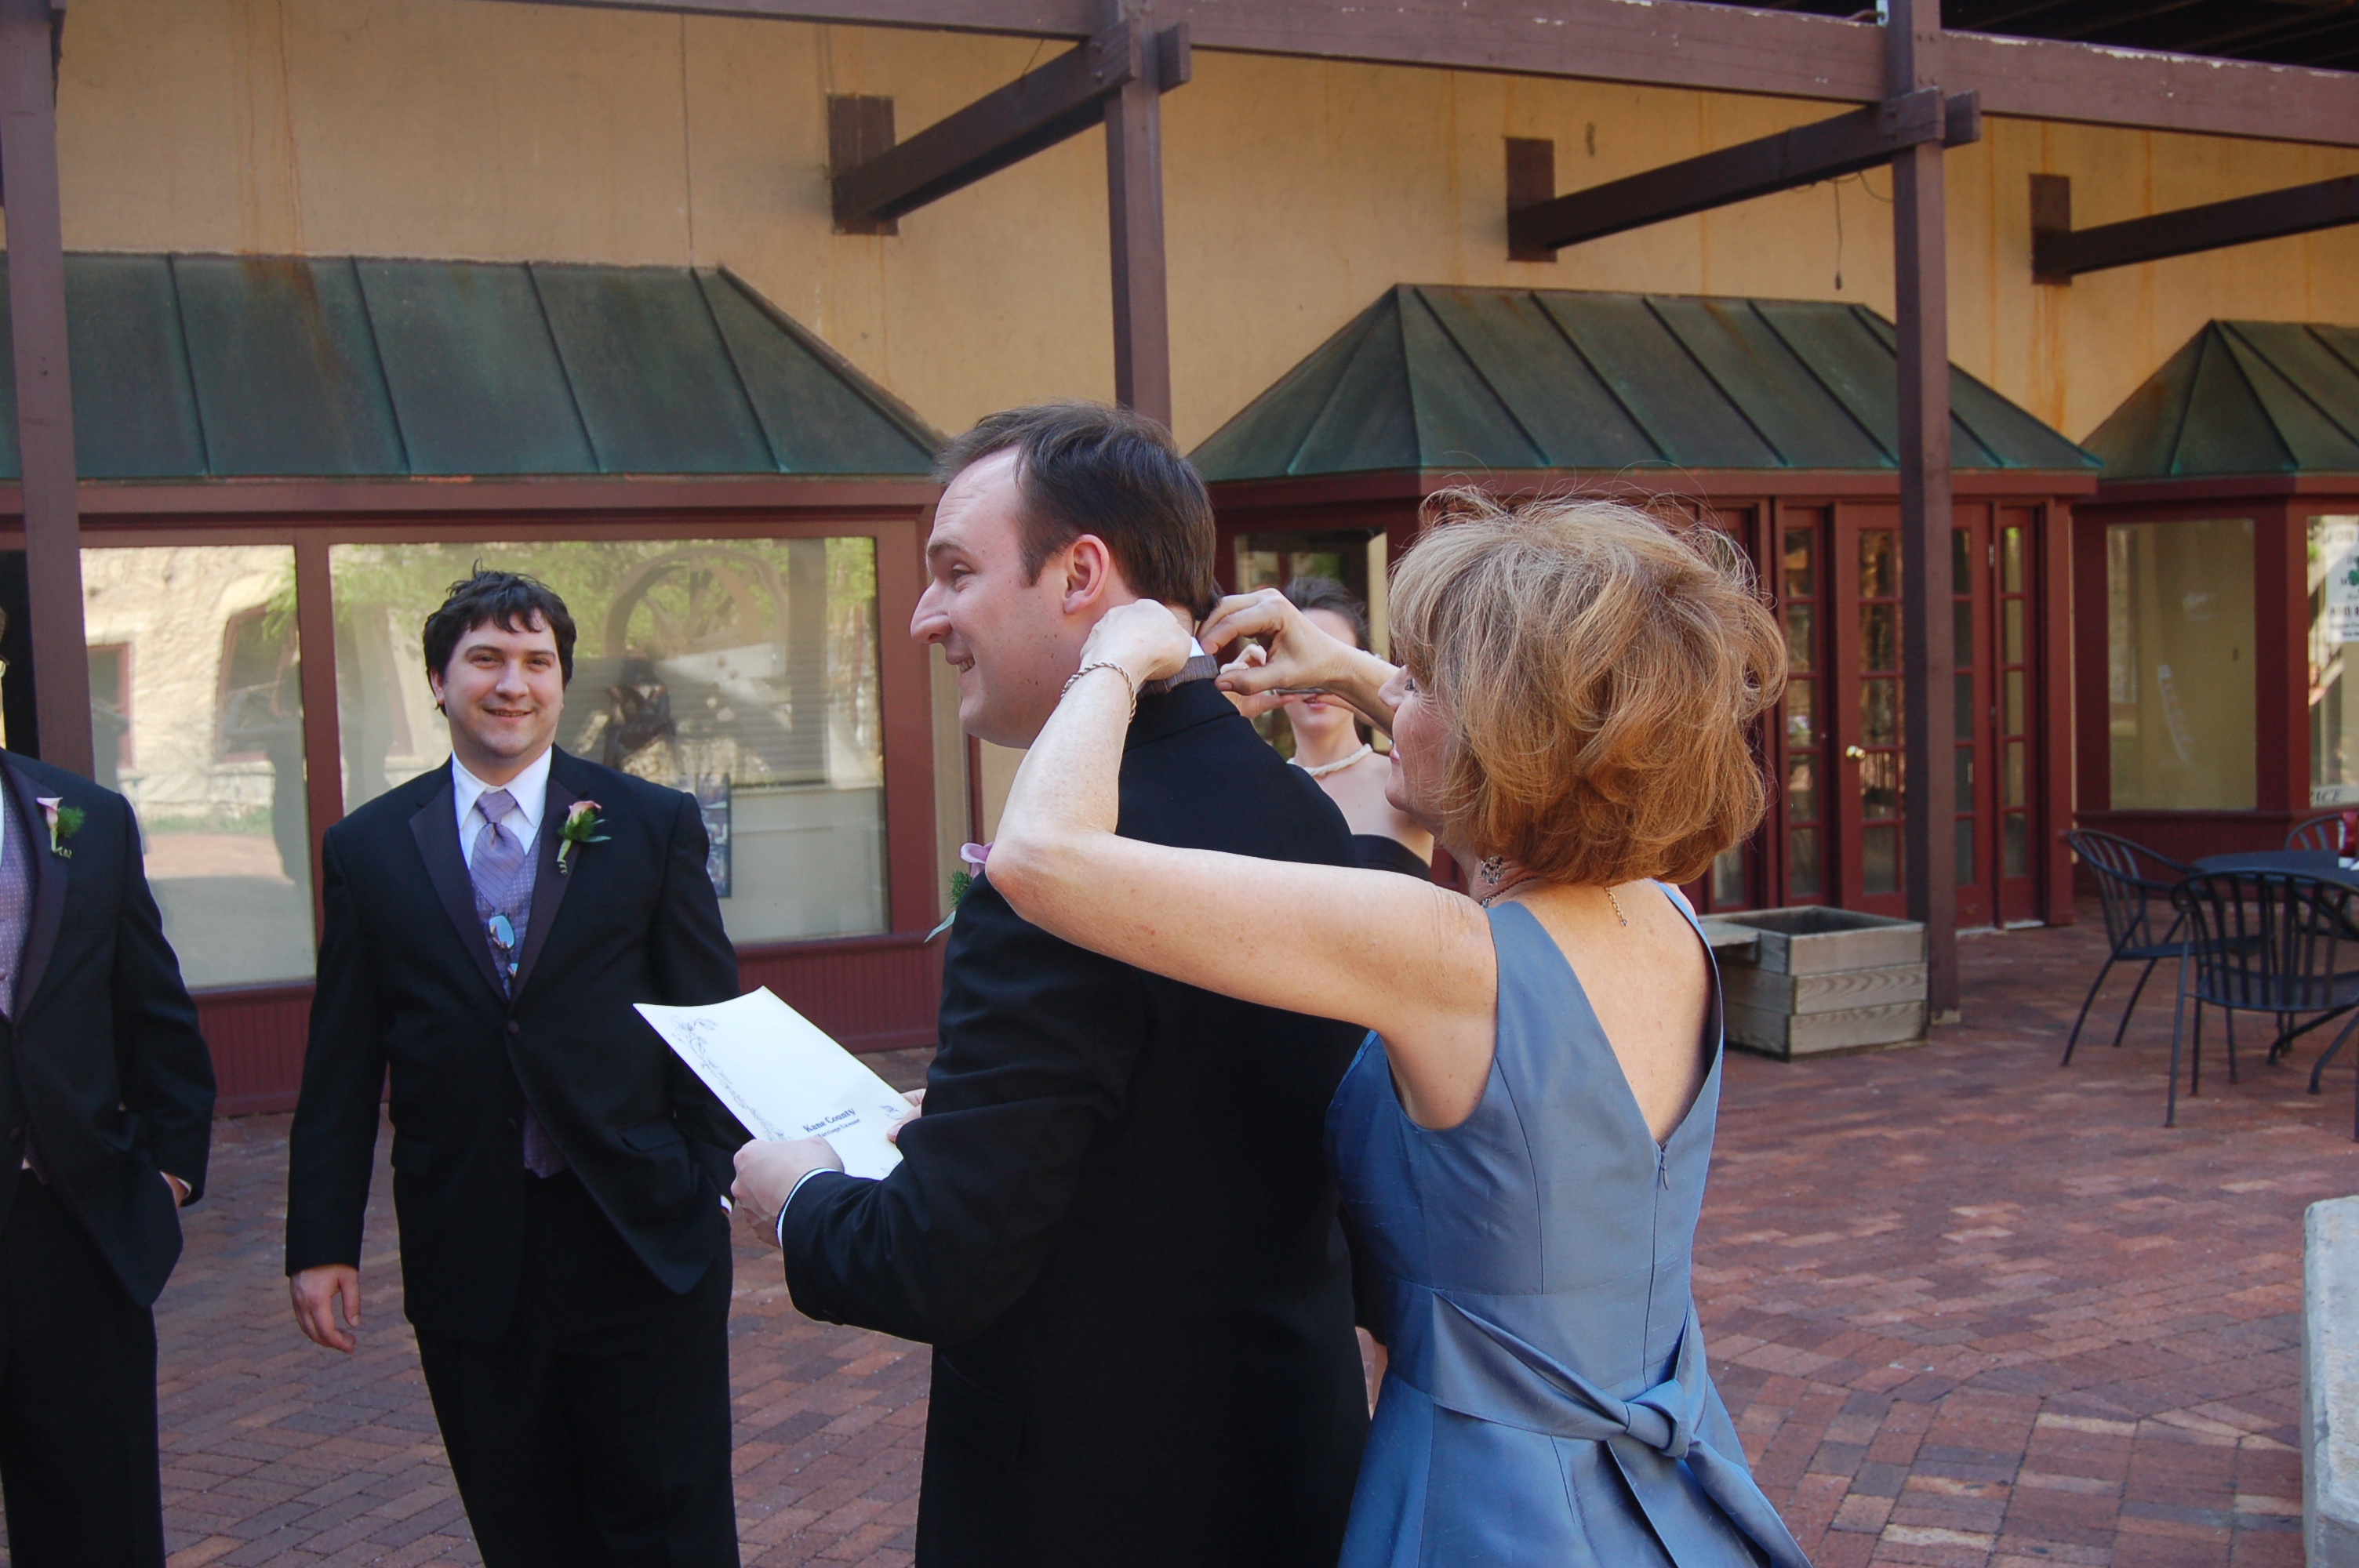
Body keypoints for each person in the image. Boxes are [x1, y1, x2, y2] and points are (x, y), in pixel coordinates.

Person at [980, 491, 1813, 1567]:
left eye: (1417, 680)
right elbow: (1534, 742)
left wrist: (1115, 655)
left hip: (1487, 1505)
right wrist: (1337, 667)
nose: (1391, 698)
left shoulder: (1447, 956)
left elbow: (1039, 858)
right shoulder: (1666, 915)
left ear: (1499, 730)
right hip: (1660, 1486)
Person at [731, 402, 1370, 1568]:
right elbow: (1189, 1122)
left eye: (955, 572)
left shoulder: (1056, 875)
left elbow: (938, 1263)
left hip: (1092, 1500)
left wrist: (799, 1197)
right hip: (1290, 1467)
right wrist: (985, 1121)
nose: (924, 617)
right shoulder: (1303, 815)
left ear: (1081, 575)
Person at [285, 571, 748, 1568]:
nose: (513, 683)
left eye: (537, 661)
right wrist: (319, 1239)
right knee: (523, 1527)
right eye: (486, 659)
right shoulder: (368, 847)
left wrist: (707, 1180)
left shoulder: (649, 821)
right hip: (468, 1246)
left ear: (561, 682)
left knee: (670, 1525)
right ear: (439, 680)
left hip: (638, 1236)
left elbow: (708, 1019)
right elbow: (342, 1058)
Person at [0, 738, 214, 1567]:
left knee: (99, 1525)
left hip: (74, 1224)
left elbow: (151, 1005)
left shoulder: (88, 816)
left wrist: (168, 1173)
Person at [1260, 577, 1433, 879]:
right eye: (1299, 656)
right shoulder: (1257, 790)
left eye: (1331, 657)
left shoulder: (1407, 778)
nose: (1315, 676)